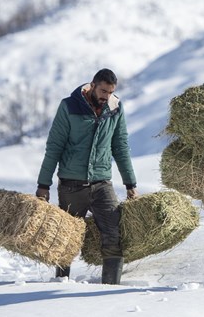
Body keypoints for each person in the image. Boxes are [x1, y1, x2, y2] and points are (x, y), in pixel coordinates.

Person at [35, 68, 137, 284]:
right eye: (103, 91)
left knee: (114, 235)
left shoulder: (115, 108)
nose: (106, 96)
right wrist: (43, 185)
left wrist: (130, 183)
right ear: (92, 85)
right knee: (66, 239)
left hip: (102, 184)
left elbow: (120, 146)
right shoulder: (69, 106)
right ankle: (61, 284)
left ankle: (111, 288)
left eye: (110, 92)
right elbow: (54, 147)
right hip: (71, 186)